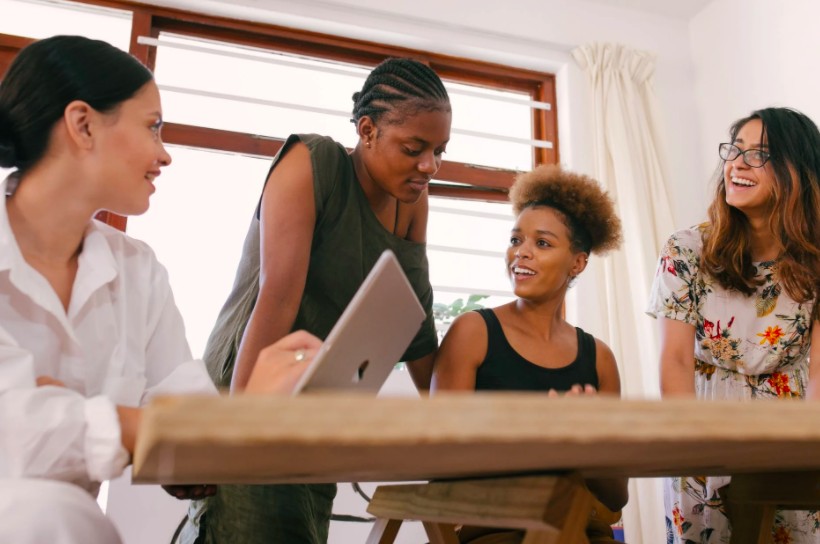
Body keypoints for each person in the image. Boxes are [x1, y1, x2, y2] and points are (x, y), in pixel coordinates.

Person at [0, 35, 322, 544]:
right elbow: (17, 432)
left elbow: (186, 442)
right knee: (47, 509)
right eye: (152, 128)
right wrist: (150, 427)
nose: (165, 154)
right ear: (83, 125)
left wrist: (247, 416)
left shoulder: (137, 271)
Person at [178, 58, 451, 543]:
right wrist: (233, 434)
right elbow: (276, 300)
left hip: (319, 408)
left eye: (439, 151)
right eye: (414, 149)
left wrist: (459, 423)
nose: (428, 166)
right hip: (252, 391)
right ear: (367, 131)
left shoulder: (413, 200)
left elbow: (416, 321)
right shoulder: (311, 162)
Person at [648, 107, 820, 543]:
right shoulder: (685, 249)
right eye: (735, 150)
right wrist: (692, 443)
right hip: (700, 427)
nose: (737, 164)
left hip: (788, 436)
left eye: (759, 154)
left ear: (797, 171)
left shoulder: (816, 262)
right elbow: (673, 360)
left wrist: (807, 448)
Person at [432, 164, 628, 544]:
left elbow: (616, 495)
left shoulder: (599, 358)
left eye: (542, 243)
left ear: (578, 261)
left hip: (582, 534)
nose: (520, 253)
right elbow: (442, 460)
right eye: (515, 239)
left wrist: (591, 440)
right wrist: (546, 439)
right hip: (494, 532)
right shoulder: (473, 333)